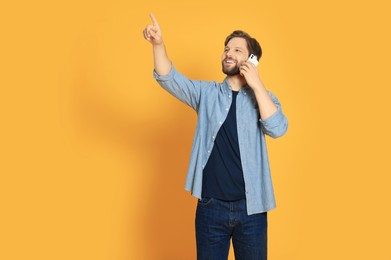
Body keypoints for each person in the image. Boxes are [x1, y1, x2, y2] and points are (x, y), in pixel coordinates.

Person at [143, 13, 288, 260]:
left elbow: (277, 128)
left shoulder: (263, 97)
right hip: (211, 208)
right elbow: (169, 78)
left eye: (237, 50)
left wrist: (257, 84)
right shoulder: (206, 94)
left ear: (252, 60)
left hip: (251, 209)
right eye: (226, 48)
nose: (228, 53)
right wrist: (158, 44)